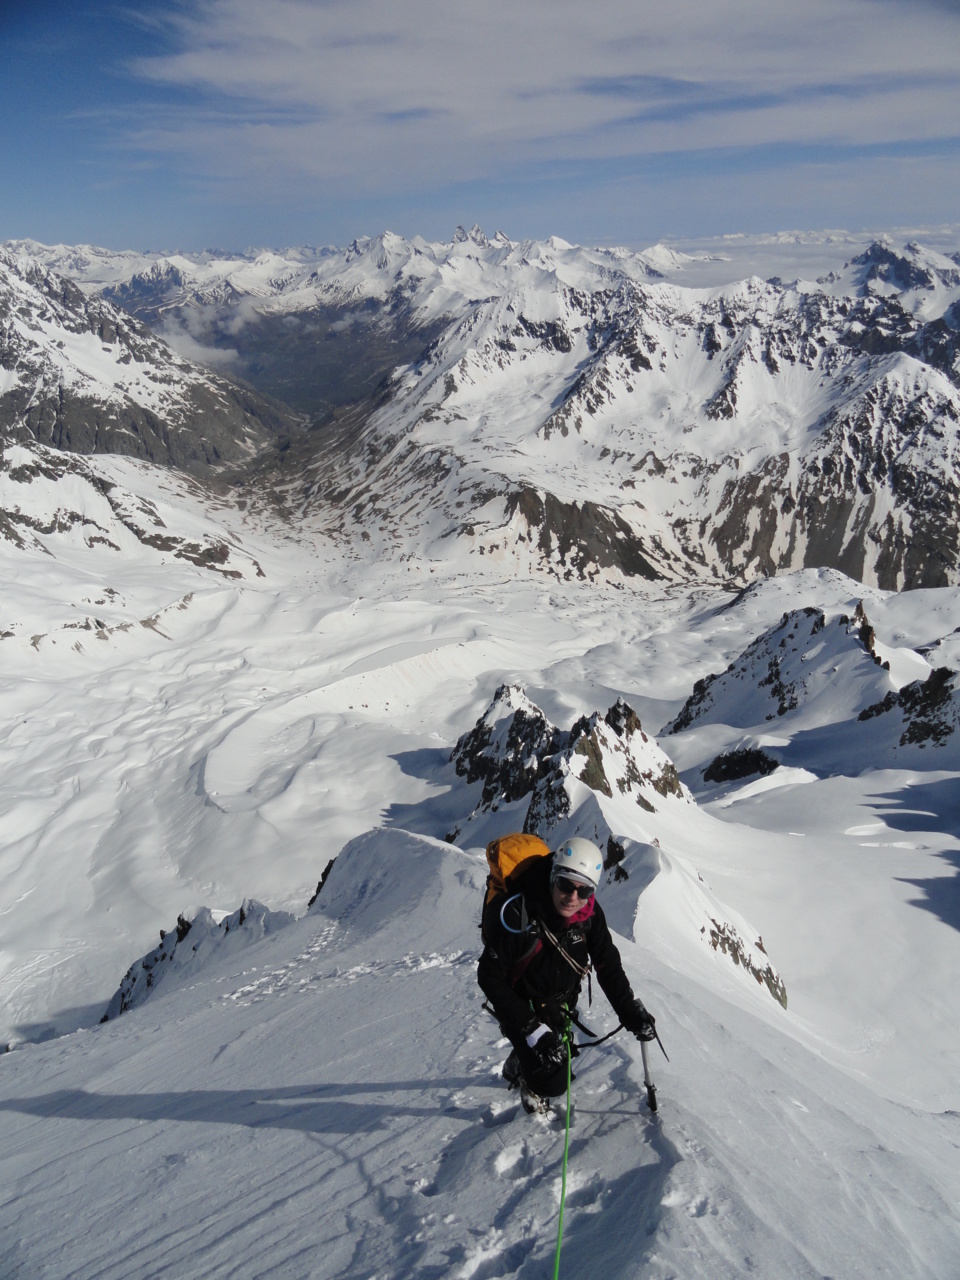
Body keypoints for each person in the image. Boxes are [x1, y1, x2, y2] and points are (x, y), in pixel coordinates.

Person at [478, 835, 657, 1111]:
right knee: (554, 1081)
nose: (573, 898)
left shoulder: (590, 916)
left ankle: (522, 1057)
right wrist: (532, 1030)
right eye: (565, 885)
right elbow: (489, 976)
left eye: (583, 891)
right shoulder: (520, 917)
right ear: (553, 877)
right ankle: (527, 1074)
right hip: (519, 1005)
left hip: (557, 1002)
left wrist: (630, 1012)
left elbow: (607, 965)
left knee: (559, 1054)